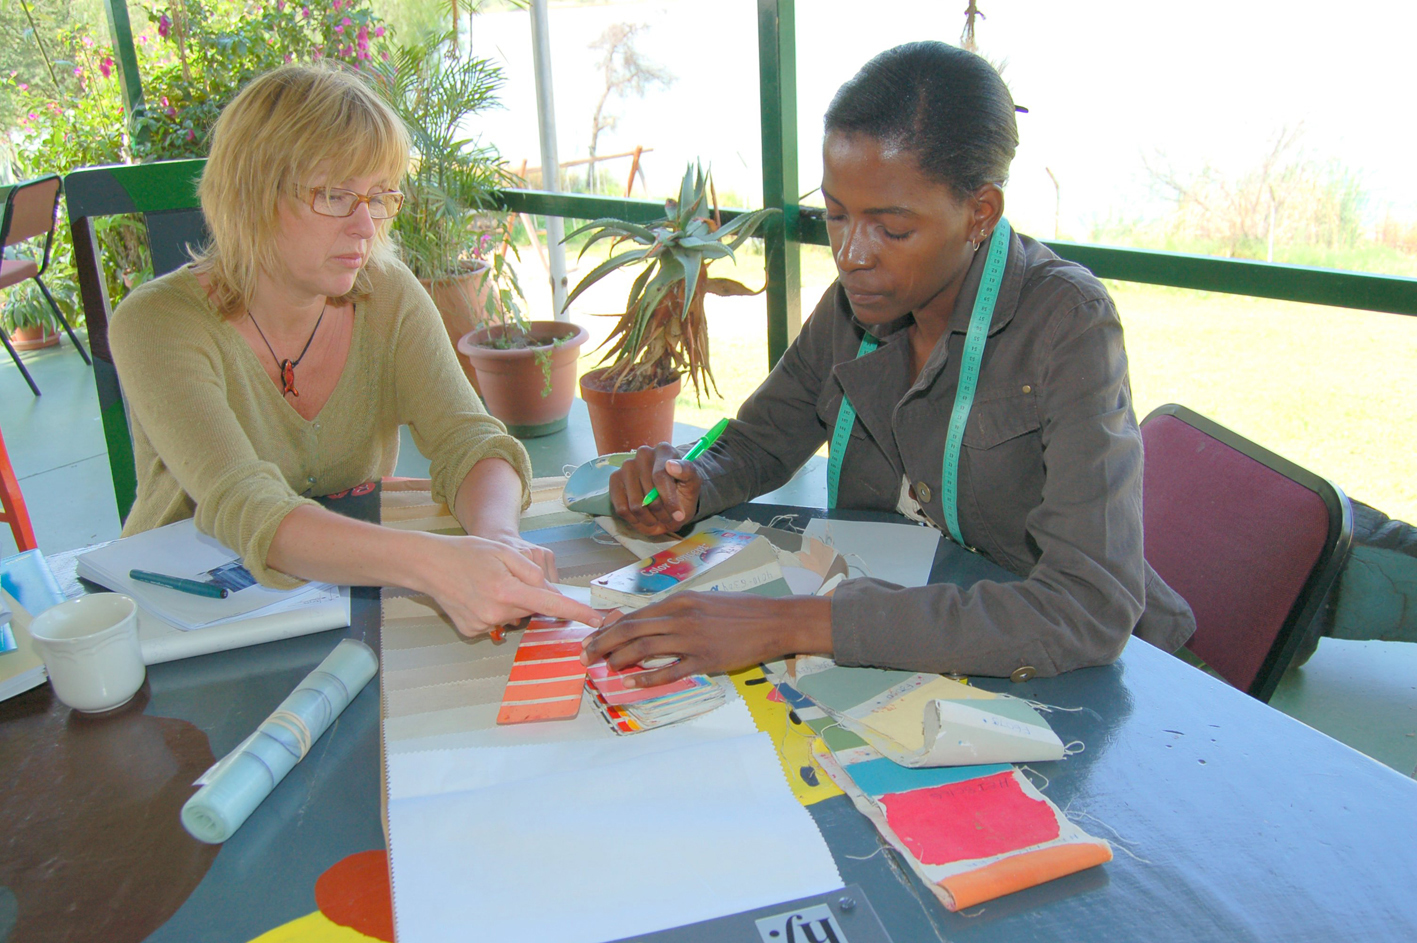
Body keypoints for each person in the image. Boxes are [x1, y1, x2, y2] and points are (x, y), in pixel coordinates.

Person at [585, 42, 1194, 685]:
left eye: (892, 230)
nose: (850, 254)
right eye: (837, 215)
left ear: (979, 214)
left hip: (1070, 670)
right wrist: (692, 481)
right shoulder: (856, 306)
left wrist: (786, 624)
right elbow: (762, 439)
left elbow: (1086, 607)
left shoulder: (1066, 325)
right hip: (920, 638)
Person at [109, 64, 598, 637]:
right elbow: (246, 503)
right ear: (250, 195)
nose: (366, 226)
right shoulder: (157, 322)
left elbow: (469, 439)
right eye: (335, 195)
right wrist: (436, 565)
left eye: (378, 196)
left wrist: (496, 540)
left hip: (339, 603)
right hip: (180, 622)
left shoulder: (387, 293)